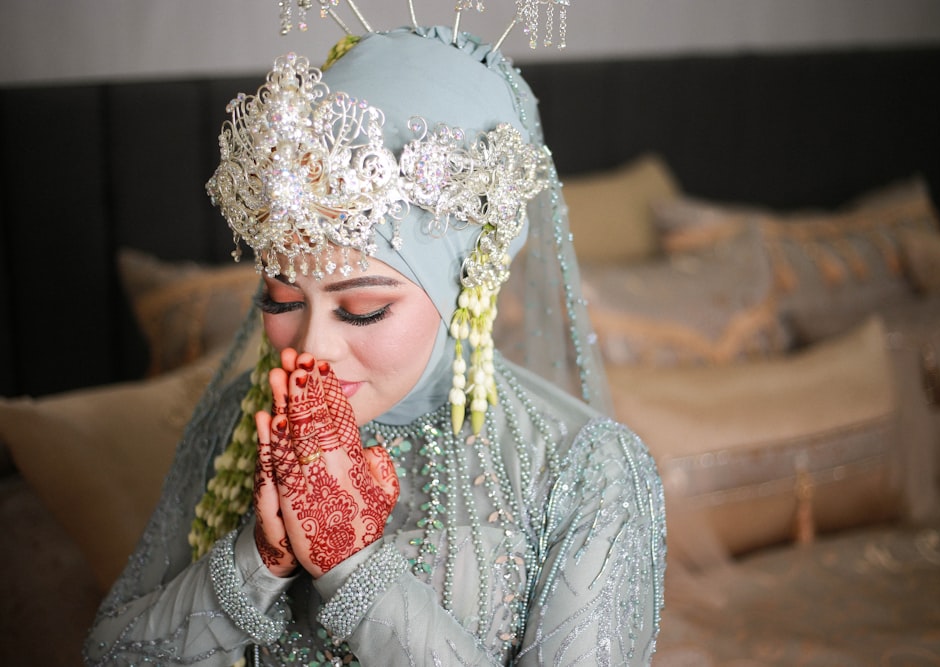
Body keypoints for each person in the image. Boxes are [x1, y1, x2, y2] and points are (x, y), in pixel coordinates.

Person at [85, 5, 666, 665]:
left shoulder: (585, 469)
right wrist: (259, 560)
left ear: (466, 286)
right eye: (280, 298)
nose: (311, 349)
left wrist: (353, 567)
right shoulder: (240, 425)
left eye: (362, 307)